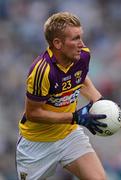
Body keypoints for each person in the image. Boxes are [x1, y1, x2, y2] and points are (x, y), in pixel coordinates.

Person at [16, 12, 108, 180]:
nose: (82, 44)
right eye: (75, 39)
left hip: (69, 135)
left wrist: (100, 101)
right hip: (36, 143)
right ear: (57, 43)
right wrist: (75, 117)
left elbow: (80, 78)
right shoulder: (42, 71)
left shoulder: (82, 56)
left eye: (81, 37)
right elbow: (33, 113)